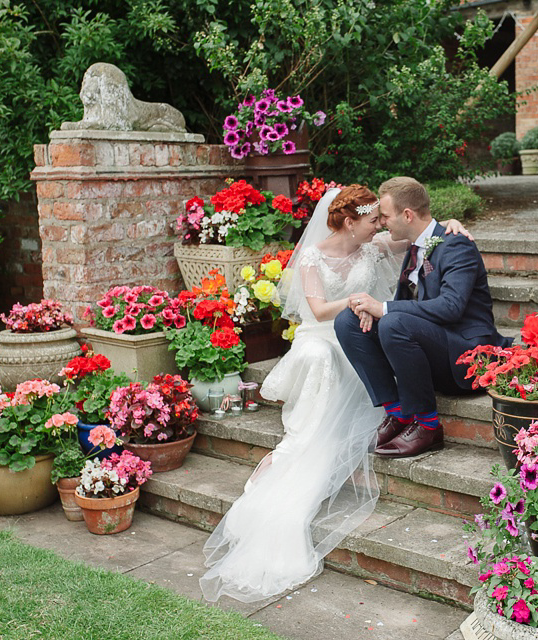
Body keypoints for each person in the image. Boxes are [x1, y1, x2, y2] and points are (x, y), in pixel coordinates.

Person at [199, 184, 471, 603]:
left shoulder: (373, 245)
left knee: (353, 349)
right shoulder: (312, 255)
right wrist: (359, 301)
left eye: (382, 218)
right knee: (323, 355)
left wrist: (451, 226)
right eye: (372, 219)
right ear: (350, 221)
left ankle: (390, 411)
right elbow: (320, 310)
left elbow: (418, 233)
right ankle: (303, 444)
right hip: (322, 330)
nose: (379, 225)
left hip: (360, 327)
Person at [335, 176, 511, 459]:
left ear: (407, 214)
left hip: (465, 356)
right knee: (348, 320)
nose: (381, 223)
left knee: (393, 319)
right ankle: (399, 415)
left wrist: (385, 308)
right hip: (430, 348)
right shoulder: (415, 245)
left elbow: (451, 307)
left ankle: (428, 426)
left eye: (386, 216)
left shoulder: (457, 246)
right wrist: (375, 310)